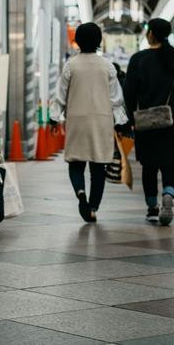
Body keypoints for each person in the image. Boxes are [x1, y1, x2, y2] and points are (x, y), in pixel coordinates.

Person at [51, 23, 128, 223]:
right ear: (99, 41)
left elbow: (60, 95)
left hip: (77, 120)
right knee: (98, 167)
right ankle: (93, 208)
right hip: (102, 121)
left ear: (77, 40)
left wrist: (54, 117)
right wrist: (120, 122)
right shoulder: (107, 66)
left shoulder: (71, 65)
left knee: (76, 163)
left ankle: (80, 193)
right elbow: (116, 99)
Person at [123, 18, 174, 226]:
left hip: (147, 121)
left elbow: (129, 93)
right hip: (172, 119)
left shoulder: (138, 59)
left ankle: (152, 207)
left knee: (149, 166)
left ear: (150, 34)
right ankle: (168, 193)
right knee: (170, 164)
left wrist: (129, 119)